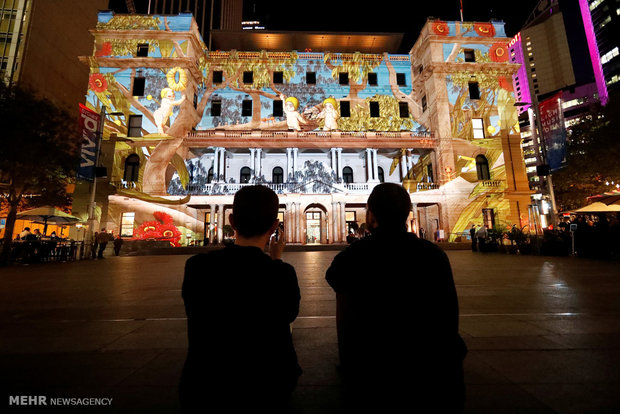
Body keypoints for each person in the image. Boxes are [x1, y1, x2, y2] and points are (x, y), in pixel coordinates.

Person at [325, 183, 467, 412]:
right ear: (407, 214)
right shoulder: (434, 255)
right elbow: (449, 314)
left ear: (370, 215)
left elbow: (337, 288)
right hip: (430, 371)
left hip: (374, 372)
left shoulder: (353, 256)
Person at [179, 185, 302, 412]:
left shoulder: (197, 267)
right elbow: (289, 314)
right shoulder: (281, 273)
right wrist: (276, 260)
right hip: (268, 385)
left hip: (205, 384)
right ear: (275, 226)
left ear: (232, 221)